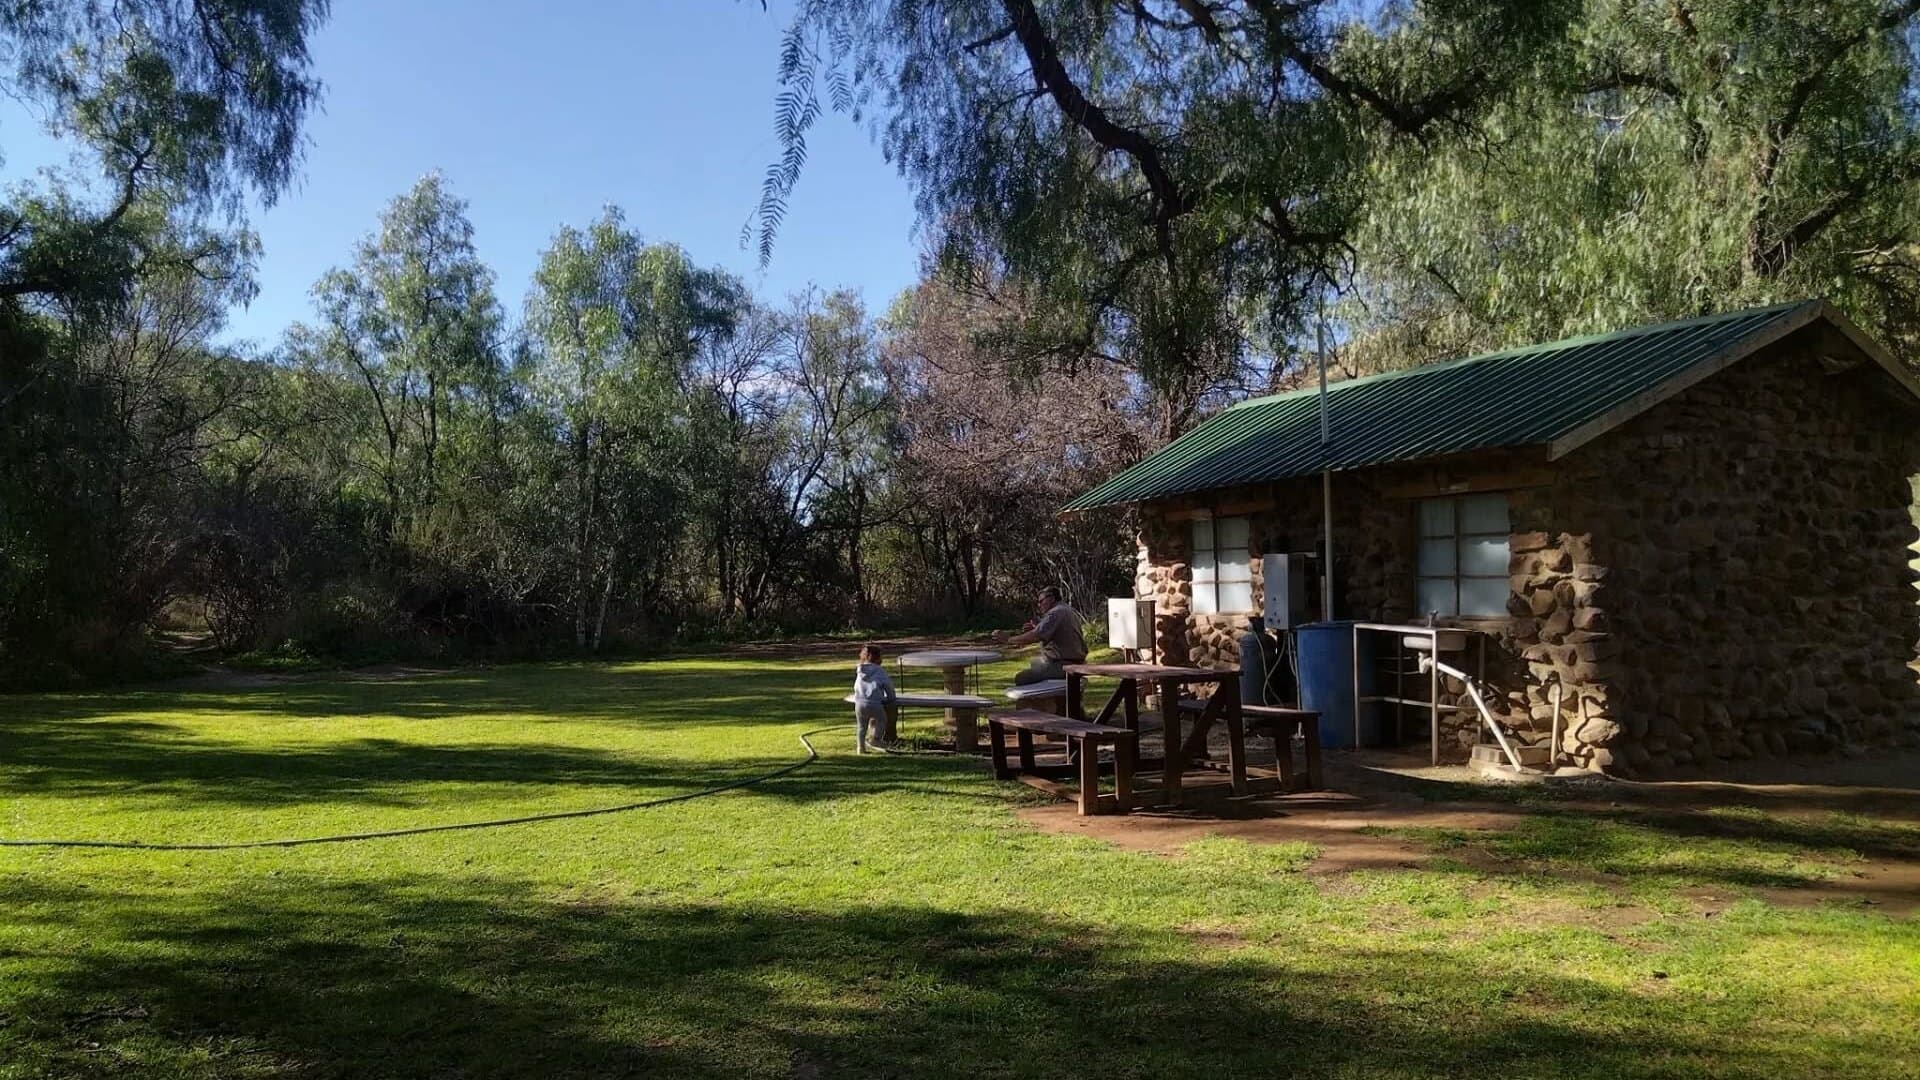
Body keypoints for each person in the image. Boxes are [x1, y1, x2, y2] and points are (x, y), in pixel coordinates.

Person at [996, 586, 1087, 685]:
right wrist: (1037, 627)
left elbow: (1035, 636)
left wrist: (1008, 639)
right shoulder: (1067, 609)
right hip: (1076, 661)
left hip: (1064, 664)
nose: (1039, 605)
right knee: (1035, 662)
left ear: (1051, 598)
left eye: (1041, 601)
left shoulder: (1055, 613)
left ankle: (1046, 699)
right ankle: (1052, 698)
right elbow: (1050, 632)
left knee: (1022, 678)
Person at [850, 644, 897, 753]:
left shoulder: (860, 670)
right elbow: (888, 686)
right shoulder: (880, 671)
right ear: (877, 658)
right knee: (882, 720)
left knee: (861, 726)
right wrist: (891, 698)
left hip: (860, 703)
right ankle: (876, 739)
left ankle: (860, 748)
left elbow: (857, 686)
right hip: (875, 703)